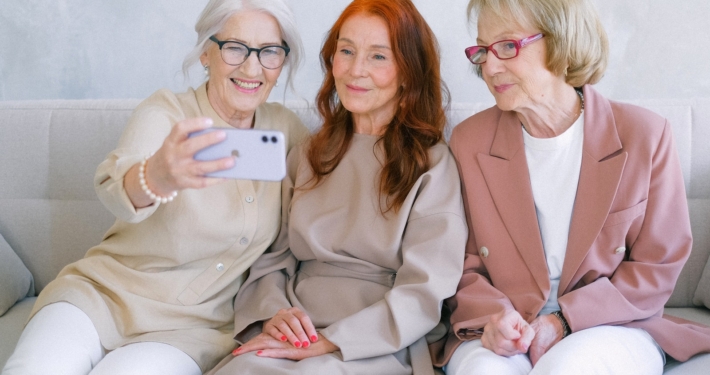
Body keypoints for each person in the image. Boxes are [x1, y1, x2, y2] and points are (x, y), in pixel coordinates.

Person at [2, 0, 308, 374]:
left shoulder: (286, 129)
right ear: (205, 54)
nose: (251, 66)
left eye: (270, 52)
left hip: (192, 331)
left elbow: (325, 209)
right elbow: (117, 185)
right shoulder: (167, 112)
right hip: (100, 299)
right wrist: (157, 176)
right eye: (235, 48)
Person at [429, 0, 710, 374]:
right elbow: (460, 264)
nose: (490, 67)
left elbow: (657, 265)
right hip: (501, 329)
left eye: (509, 46)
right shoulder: (469, 142)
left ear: (562, 42)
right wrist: (495, 318)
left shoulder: (644, 135)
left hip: (611, 323)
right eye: (482, 50)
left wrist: (563, 321)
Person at [207, 0, 467, 374]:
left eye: (378, 57)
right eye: (346, 51)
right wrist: (273, 316)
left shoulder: (434, 165)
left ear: (408, 71)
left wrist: (334, 341)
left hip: (375, 341)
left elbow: (425, 289)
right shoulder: (308, 153)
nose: (355, 70)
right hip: (297, 330)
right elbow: (272, 258)